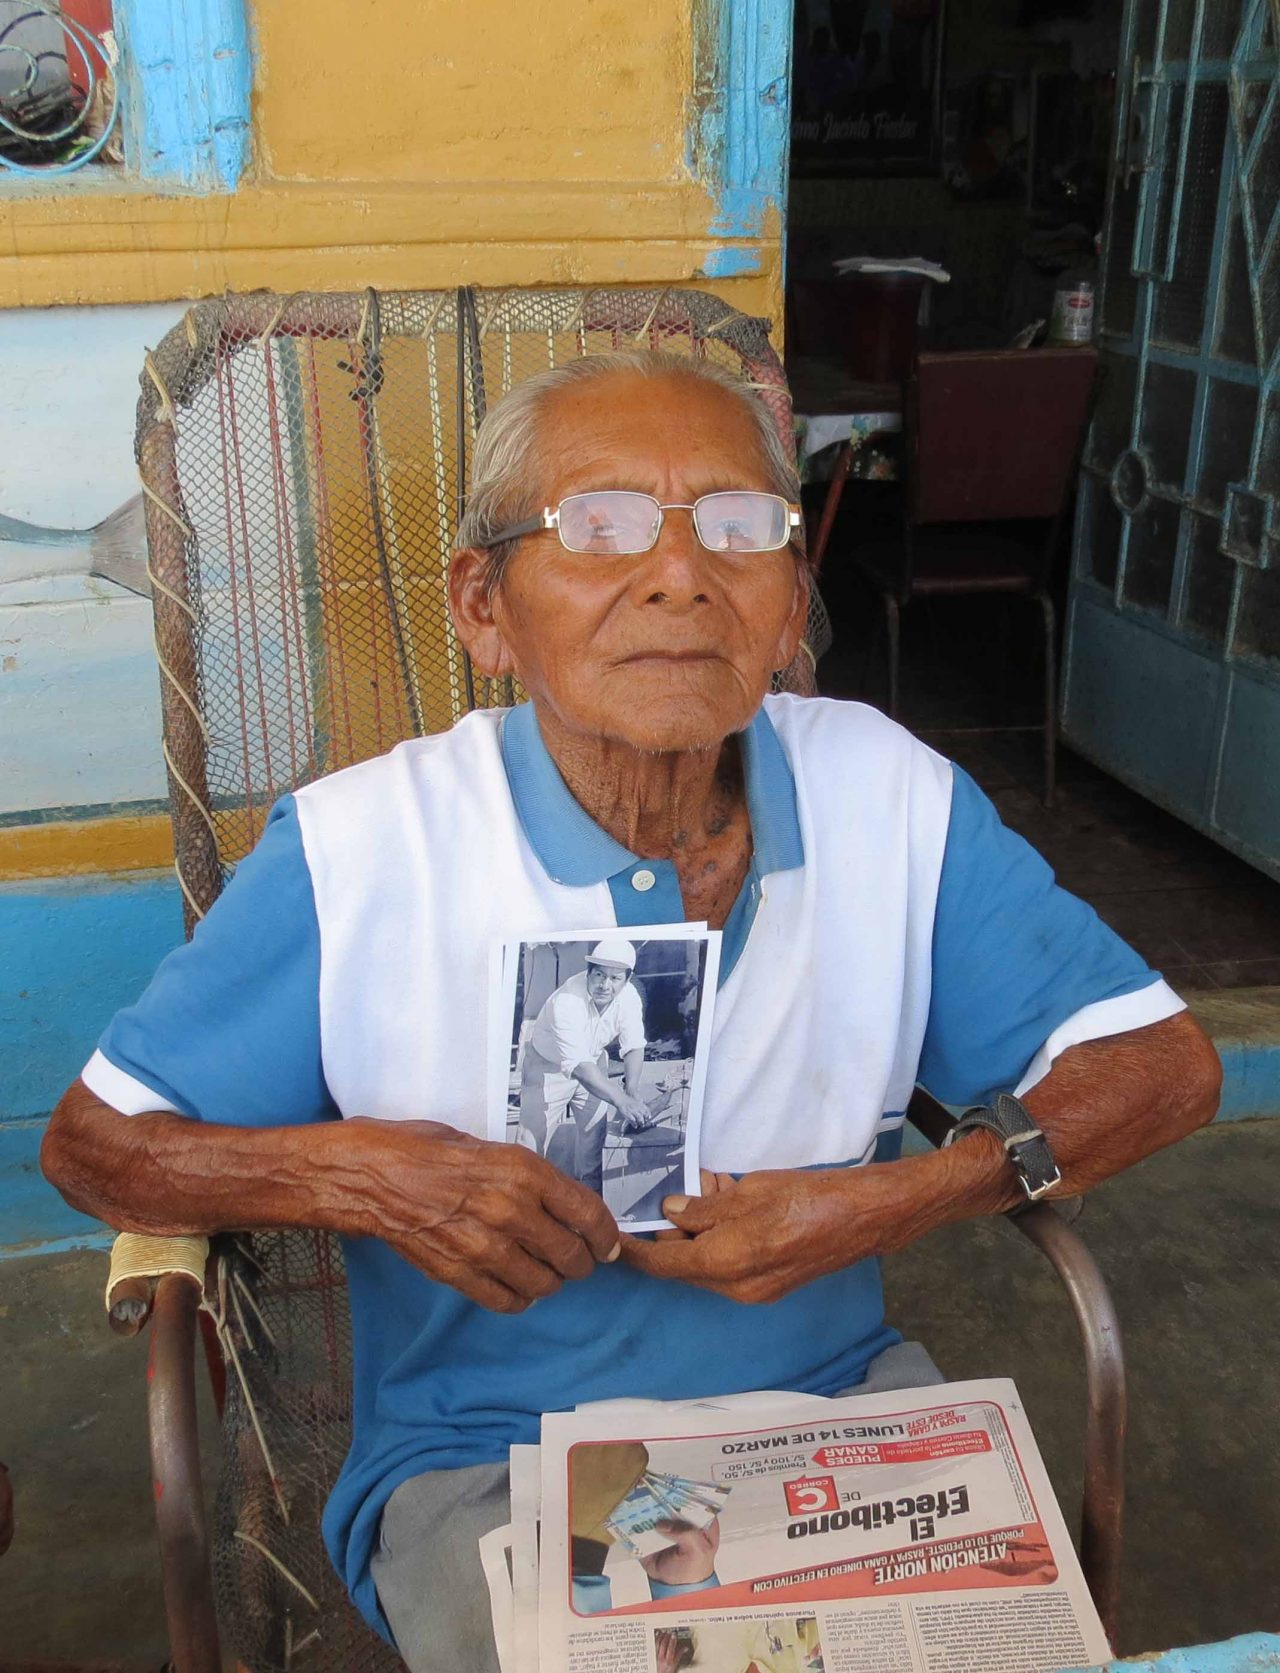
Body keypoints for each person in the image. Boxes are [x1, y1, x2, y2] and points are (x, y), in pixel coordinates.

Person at [41, 349, 1222, 1673]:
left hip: (839, 1425)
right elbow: (98, 1145)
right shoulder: (364, 849)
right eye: (599, 526)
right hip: (496, 1460)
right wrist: (366, 1175)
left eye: (736, 528)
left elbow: (1163, 1067)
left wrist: (896, 1198)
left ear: (786, 615)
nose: (678, 573)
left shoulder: (888, 799)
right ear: (485, 605)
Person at [518, 940, 651, 1193]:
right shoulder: (567, 1000)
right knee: (530, 1148)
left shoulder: (630, 996)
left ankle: (590, 1208)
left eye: (614, 978)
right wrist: (621, 1101)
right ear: (589, 971)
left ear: (627, 979)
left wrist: (631, 1089)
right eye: (599, 974)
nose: (605, 985)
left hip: (594, 1064)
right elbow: (577, 1064)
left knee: (593, 1146)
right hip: (548, 1068)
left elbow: (633, 1044)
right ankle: (526, 1207)